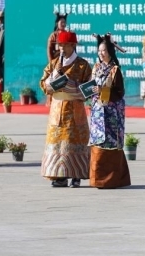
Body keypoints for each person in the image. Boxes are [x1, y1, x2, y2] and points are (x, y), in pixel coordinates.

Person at [39, 30, 92, 188]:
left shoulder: (83, 65)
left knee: (74, 142)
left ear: (73, 45)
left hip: (74, 108)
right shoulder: (54, 63)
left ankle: (77, 175)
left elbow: (89, 88)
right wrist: (54, 76)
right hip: (57, 109)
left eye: (64, 45)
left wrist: (70, 85)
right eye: (59, 45)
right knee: (57, 144)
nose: (61, 48)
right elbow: (43, 84)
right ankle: (59, 176)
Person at [87, 34, 131, 189]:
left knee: (110, 143)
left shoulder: (115, 70)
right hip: (97, 112)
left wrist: (103, 90)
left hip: (111, 114)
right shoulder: (96, 68)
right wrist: (88, 91)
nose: (101, 53)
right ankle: (97, 179)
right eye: (99, 50)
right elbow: (92, 86)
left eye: (104, 50)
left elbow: (119, 93)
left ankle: (112, 179)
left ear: (110, 52)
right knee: (97, 142)